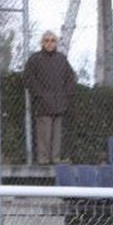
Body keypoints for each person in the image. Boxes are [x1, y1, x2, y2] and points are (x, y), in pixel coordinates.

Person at [24, 30, 76, 165]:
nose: (49, 43)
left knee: (57, 134)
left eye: (52, 40)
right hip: (42, 103)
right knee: (44, 133)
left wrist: (65, 95)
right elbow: (29, 79)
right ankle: (43, 159)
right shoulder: (35, 59)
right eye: (46, 40)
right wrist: (39, 95)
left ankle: (56, 158)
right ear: (42, 42)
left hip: (59, 102)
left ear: (56, 43)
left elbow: (71, 78)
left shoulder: (61, 59)